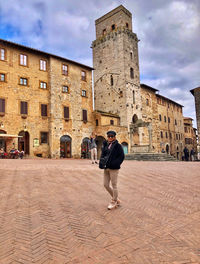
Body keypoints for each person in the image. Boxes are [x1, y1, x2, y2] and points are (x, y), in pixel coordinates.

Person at [99, 130, 125, 210]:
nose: (110, 138)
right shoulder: (105, 145)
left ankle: (114, 201)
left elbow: (122, 157)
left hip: (114, 168)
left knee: (114, 185)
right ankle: (116, 199)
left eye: (112, 136)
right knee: (105, 184)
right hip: (106, 167)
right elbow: (103, 155)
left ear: (114, 137)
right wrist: (101, 162)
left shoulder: (118, 146)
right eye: (109, 136)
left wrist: (115, 163)